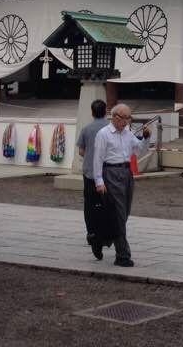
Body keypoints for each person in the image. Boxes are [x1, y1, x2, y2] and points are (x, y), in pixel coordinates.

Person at [92, 104, 152, 267]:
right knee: (118, 214)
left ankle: (100, 239)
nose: (126, 121)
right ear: (115, 117)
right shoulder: (103, 134)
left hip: (127, 173)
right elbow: (97, 158)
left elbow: (139, 151)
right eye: (124, 118)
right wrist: (99, 181)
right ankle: (122, 255)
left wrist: (146, 138)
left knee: (124, 212)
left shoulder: (128, 133)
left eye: (128, 118)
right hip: (111, 172)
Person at [76, 99, 110, 258]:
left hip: (89, 172)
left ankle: (91, 232)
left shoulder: (86, 129)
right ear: (105, 111)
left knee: (90, 204)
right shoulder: (110, 129)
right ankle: (106, 233)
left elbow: (81, 151)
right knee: (107, 204)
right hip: (107, 172)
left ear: (92, 112)